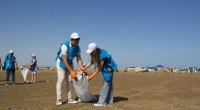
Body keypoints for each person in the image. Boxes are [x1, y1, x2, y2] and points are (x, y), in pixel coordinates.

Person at [55, 32, 85, 105]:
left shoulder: (78, 48)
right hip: (61, 63)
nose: (76, 41)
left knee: (69, 81)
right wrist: (72, 71)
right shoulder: (65, 46)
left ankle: (69, 99)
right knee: (61, 80)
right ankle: (58, 99)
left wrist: (82, 69)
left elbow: (79, 59)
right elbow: (64, 60)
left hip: (70, 63)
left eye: (77, 40)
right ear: (71, 39)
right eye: (74, 40)